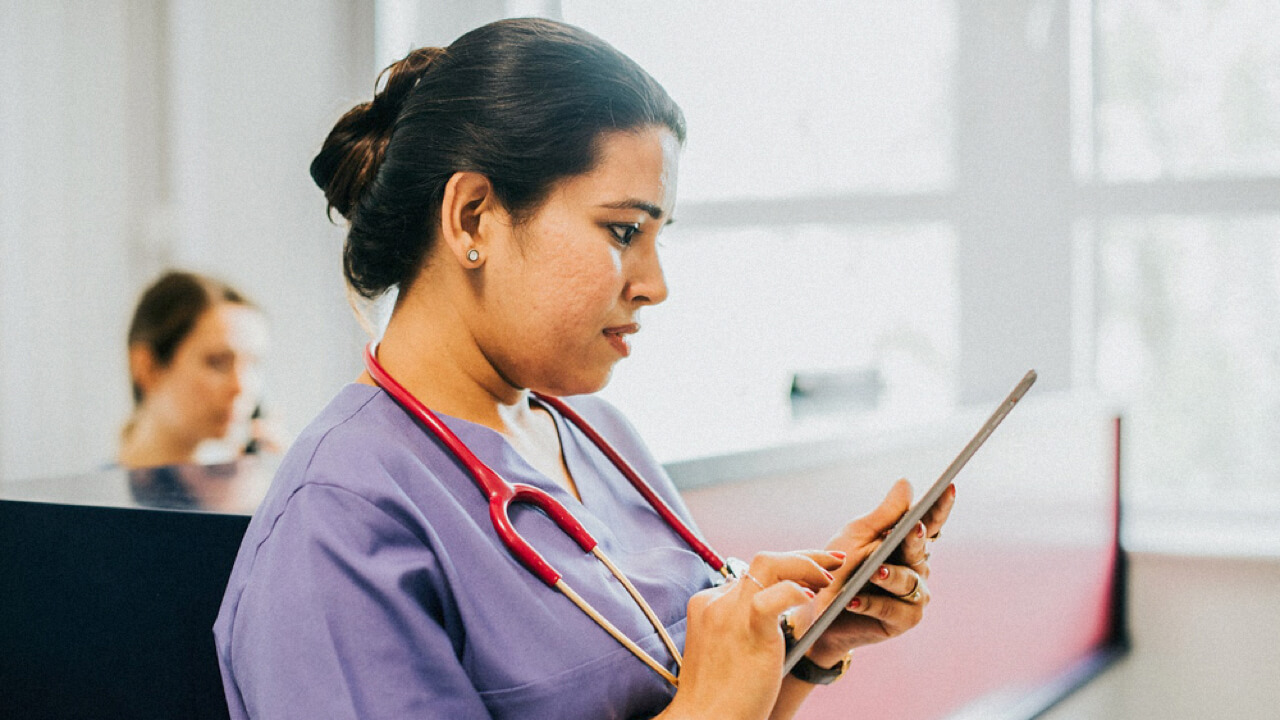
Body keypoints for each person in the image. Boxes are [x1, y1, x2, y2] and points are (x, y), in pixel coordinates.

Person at [214, 18, 955, 720]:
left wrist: (800, 648)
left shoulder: (599, 437)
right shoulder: (340, 521)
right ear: (473, 216)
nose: (654, 283)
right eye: (624, 230)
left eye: (659, 237)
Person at [119, 270, 274, 470]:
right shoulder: (87, 498)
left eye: (254, 364)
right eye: (218, 362)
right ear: (147, 367)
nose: (241, 388)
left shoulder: (248, 485)